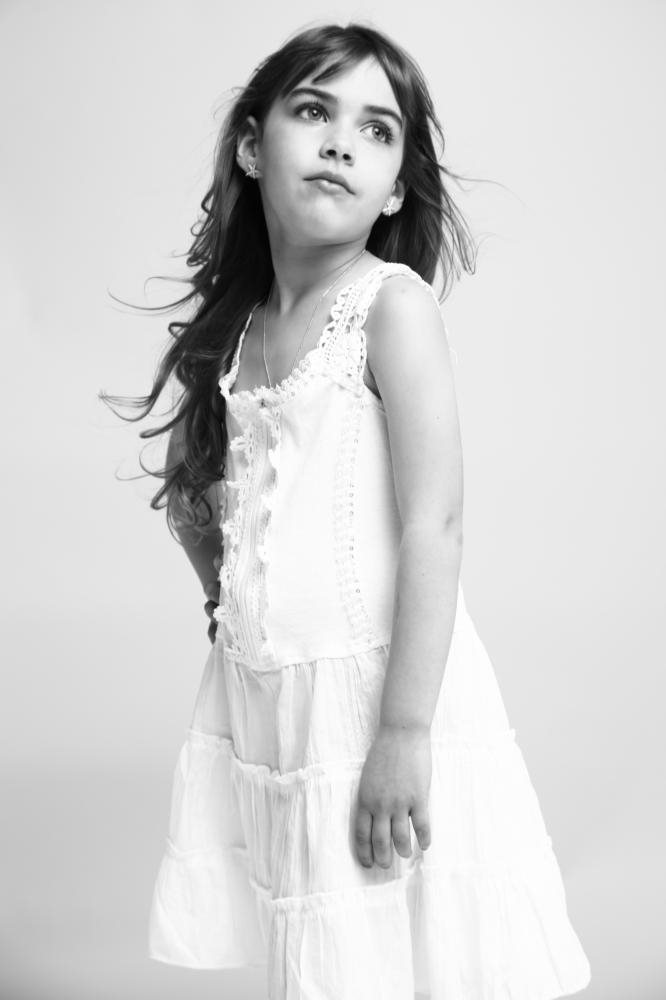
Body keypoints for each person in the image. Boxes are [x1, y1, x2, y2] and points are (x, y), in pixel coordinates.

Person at [102, 21, 592, 1000]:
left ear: (397, 186)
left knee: (393, 940)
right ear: (253, 146)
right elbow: (201, 491)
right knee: (328, 954)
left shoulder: (390, 307)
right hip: (276, 694)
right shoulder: (238, 329)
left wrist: (404, 731)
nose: (340, 143)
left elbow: (434, 522)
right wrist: (229, 597)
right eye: (314, 111)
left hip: (378, 691)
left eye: (376, 130)